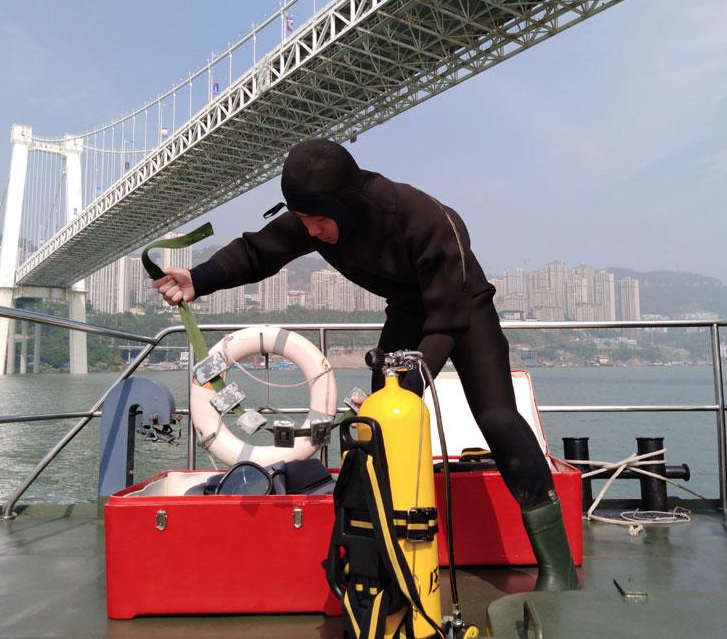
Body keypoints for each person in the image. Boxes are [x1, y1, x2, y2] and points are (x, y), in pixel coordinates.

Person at [153, 139, 579, 590]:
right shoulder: (314, 217)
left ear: (348, 205)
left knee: (498, 418)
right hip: (408, 311)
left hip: (464, 310)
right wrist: (199, 279)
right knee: (380, 422)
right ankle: (389, 546)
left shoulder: (426, 220)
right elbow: (261, 251)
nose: (312, 232)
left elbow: (448, 318)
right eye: (303, 221)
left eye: (319, 222)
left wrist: (415, 373)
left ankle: (557, 566)